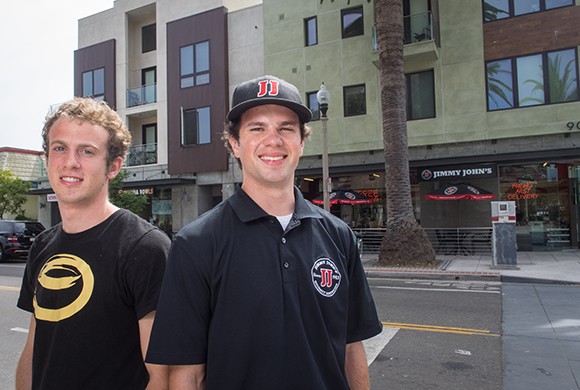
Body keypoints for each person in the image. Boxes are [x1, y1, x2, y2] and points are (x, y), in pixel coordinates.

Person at [146, 75, 382, 389]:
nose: (273, 140)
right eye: (257, 128)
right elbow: (187, 373)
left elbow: (352, 349)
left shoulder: (338, 235)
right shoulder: (196, 244)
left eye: (286, 128)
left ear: (301, 142)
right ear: (234, 144)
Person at [16, 97, 171, 390]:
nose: (70, 162)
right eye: (59, 148)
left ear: (113, 166)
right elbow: (34, 350)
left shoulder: (145, 248)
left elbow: (161, 377)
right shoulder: (43, 246)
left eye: (86, 151)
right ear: (47, 158)